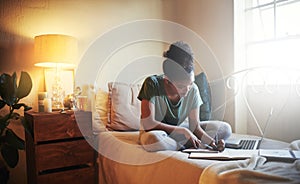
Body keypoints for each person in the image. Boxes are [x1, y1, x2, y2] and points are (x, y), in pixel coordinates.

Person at [138, 41, 231, 152]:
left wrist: (212, 143)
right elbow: (149, 124)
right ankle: (186, 144)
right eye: (181, 86)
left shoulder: (193, 90)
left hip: (180, 131)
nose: (187, 90)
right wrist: (182, 131)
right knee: (153, 140)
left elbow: (195, 127)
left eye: (190, 84)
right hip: (156, 131)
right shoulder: (152, 84)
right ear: (167, 81)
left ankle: (187, 143)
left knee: (225, 129)